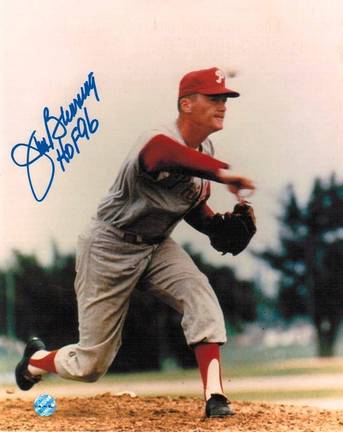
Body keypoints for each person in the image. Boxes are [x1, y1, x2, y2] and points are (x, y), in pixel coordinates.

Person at [15, 66, 256, 418]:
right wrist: (222, 172)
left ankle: (215, 398)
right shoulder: (159, 140)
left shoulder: (204, 149)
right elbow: (162, 155)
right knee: (91, 364)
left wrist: (215, 226)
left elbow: (186, 201)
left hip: (157, 246)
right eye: (213, 98)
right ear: (186, 104)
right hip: (109, 245)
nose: (222, 105)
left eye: (225, 99)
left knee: (199, 294)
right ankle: (35, 362)